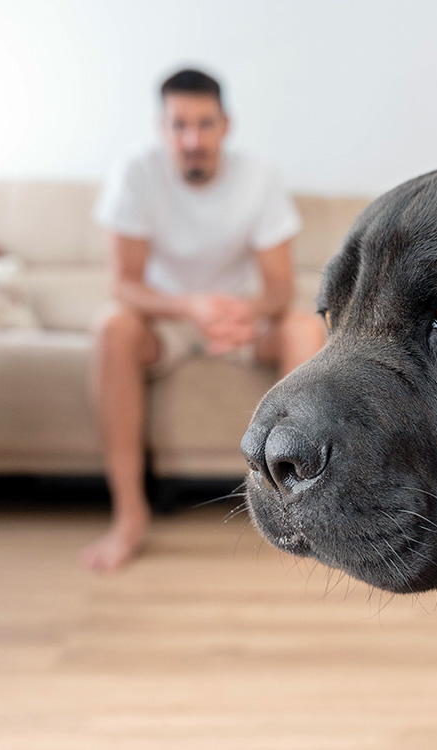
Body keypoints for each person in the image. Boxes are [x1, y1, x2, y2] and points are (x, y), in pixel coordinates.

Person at [81, 68, 324, 572]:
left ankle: (300, 513)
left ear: (225, 125)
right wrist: (190, 307)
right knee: (112, 326)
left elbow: (280, 289)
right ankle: (129, 516)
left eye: (204, 124)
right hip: (167, 317)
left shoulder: (259, 176)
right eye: (179, 125)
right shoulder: (137, 172)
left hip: (242, 319)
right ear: (161, 128)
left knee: (305, 327)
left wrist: (245, 312)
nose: (192, 139)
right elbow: (124, 284)